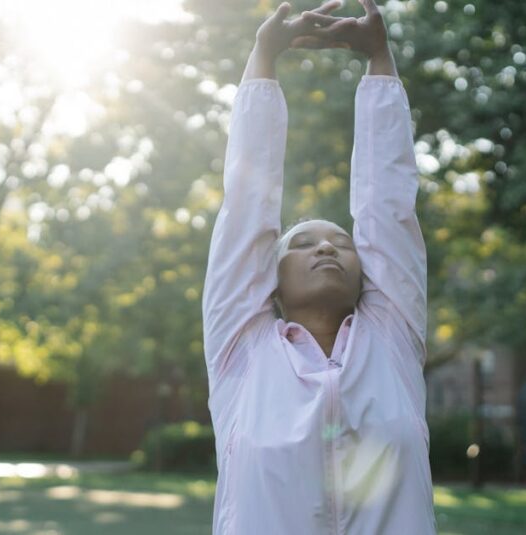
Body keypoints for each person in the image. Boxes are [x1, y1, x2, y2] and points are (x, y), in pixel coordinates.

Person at [201, 0, 435, 533]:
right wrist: (263, 56)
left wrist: (380, 58)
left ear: (366, 271)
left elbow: (387, 205)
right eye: (302, 243)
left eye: (341, 244)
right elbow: (246, 206)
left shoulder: (393, 339)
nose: (327, 248)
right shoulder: (242, 350)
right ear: (271, 278)